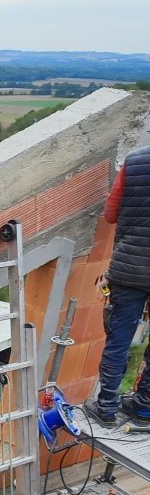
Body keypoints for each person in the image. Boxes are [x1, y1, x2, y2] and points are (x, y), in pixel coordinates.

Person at [84, 142, 150, 424]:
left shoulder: (134, 161)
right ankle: (145, 407)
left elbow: (111, 214)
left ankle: (107, 408)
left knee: (119, 341)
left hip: (130, 267)